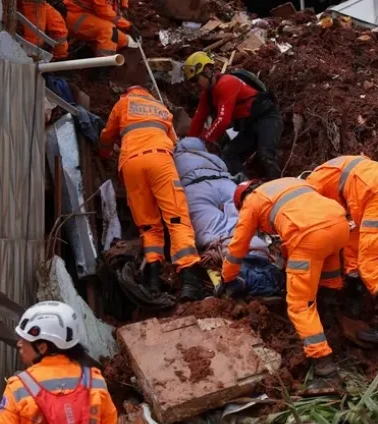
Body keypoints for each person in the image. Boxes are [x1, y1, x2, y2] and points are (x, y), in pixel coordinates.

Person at [223, 178, 349, 382]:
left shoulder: (252, 202)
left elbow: (238, 246)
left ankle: (325, 368)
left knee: (299, 304)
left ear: (242, 199)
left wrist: (228, 277)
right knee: (328, 278)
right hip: (339, 225)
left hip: (309, 236)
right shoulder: (289, 183)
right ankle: (331, 320)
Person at [99, 86, 208, 301]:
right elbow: (175, 144)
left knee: (148, 225)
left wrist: (103, 153)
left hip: (130, 163)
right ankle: (189, 281)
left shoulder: (123, 104)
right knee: (176, 218)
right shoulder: (161, 108)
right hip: (160, 160)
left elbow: (107, 136)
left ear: (127, 93)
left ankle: (153, 281)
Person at [0, 301, 124, 424]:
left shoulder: (19, 388)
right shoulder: (95, 382)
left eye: (25, 339)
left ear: (42, 347)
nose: (19, 344)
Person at [305, 155, 378, 345]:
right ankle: (356, 296)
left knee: (370, 262)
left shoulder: (312, 188)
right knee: (356, 248)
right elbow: (348, 233)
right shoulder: (336, 173)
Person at [173, 137, 281, 297]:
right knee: (241, 225)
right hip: (227, 186)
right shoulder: (215, 159)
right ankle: (256, 252)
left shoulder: (174, 160)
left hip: (195, 189)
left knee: (211, 229)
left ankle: (232, 265)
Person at [182, 51, 283, 181]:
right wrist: (189, 145)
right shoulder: (207, 95)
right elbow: (198, 119)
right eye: (192, 82)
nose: (196, 84)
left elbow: (223, 120)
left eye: (196, 79)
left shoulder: (226, 83)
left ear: (207, 71)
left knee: (265, 154)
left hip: (266, 117)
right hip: (247, 126)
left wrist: (203, 140)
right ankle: (247, 187)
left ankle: (280, 186)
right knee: (229, 154)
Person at [63, 0, 139, 57]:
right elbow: (105, 13)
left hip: (91, 15)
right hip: (74, 17)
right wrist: (128, 26)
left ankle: (92, 46)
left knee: (124, 41)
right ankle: (104, 65)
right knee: (108, 29)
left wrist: (123, 5)